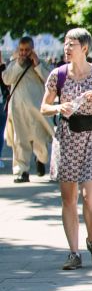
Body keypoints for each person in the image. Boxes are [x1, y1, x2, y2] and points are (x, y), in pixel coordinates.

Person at [39, 28, 92, 270]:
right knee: (69, 198)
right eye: (65, 43)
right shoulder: (58, 75)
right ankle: (73, 252)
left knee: (89, 197)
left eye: (71, 44)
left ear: (84, 48)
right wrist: (58, 108)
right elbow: (44, 107)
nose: (66, 48)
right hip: (67, 137)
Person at [2, 36, 54, 182]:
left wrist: (37, 64)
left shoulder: (41, 63)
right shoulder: (14, 63)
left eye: (27, 50)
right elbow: (6, 79)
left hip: (37, 110)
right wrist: (18, 63)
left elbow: (50, 80)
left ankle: (40, 160)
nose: (24, 53)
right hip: (18, 110)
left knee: (40, 138)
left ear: (32, 50)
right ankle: (22, 172)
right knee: (20, 141)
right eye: (22, 50)